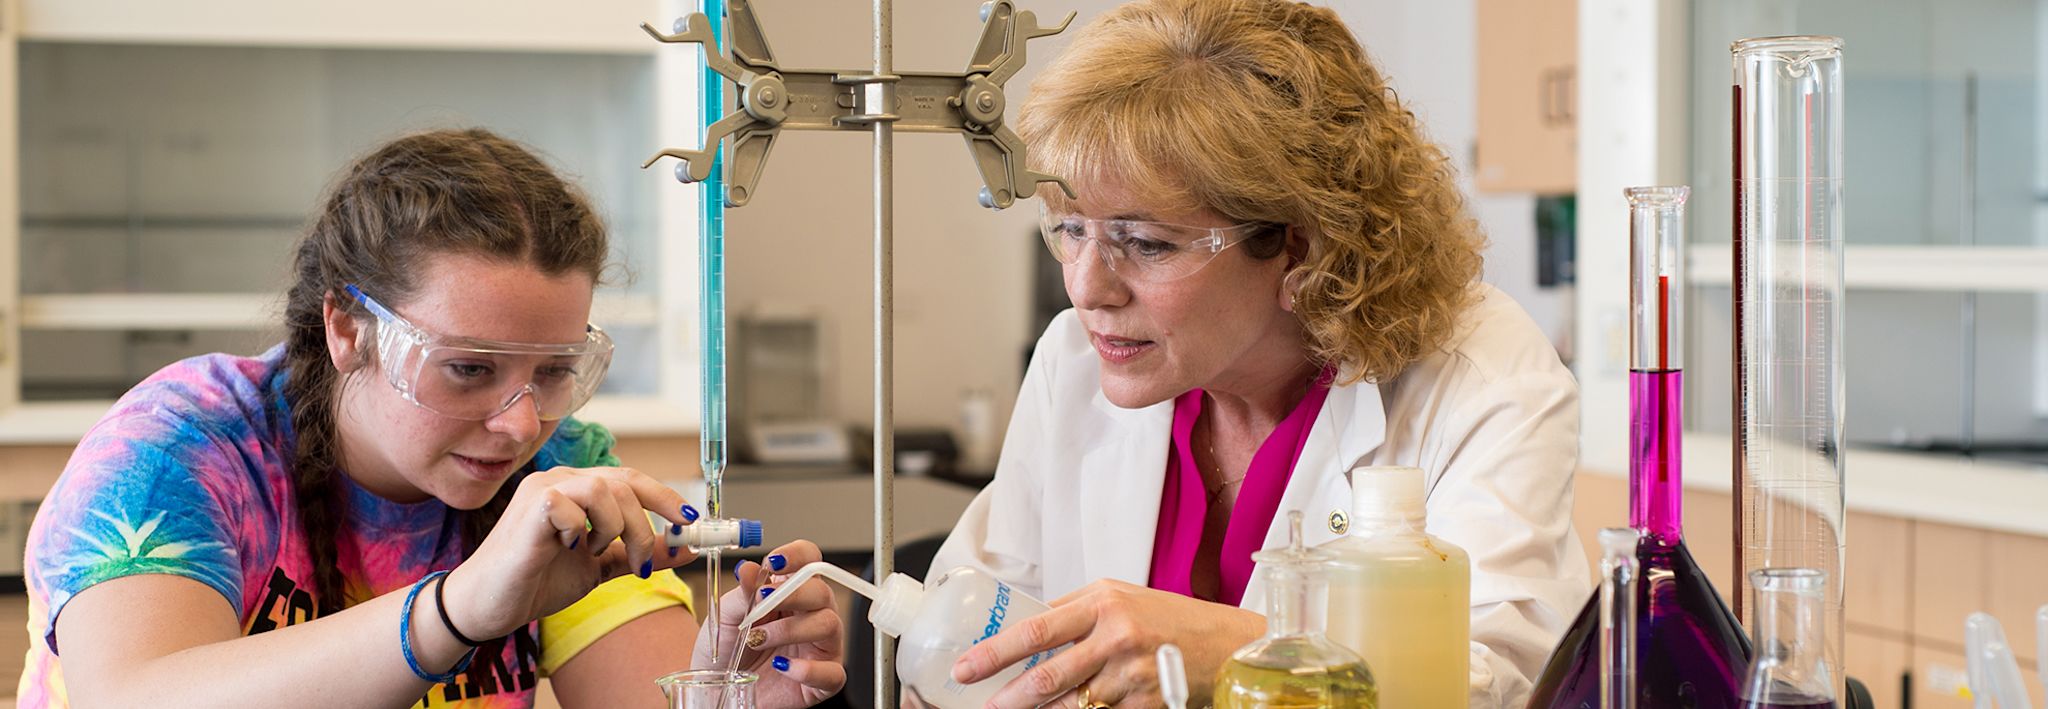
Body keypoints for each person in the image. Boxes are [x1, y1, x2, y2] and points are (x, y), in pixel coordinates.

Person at [17, 129, 846, 708]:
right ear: (348, 329)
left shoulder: (556, 472)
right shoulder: (182, 449)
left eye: (555, 372)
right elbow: (134, 697)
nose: (521, 426)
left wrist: (726, 684)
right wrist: (459, 608)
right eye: (469, 369)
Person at [927, 0, 1587, 706]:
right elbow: (972, 630)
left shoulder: (1481, 378)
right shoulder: (1074, 363)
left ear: (1297, 247)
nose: (1087, 288)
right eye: (1069, 228)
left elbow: (1505, 682)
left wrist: (1242, 649)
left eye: (1146, 243)